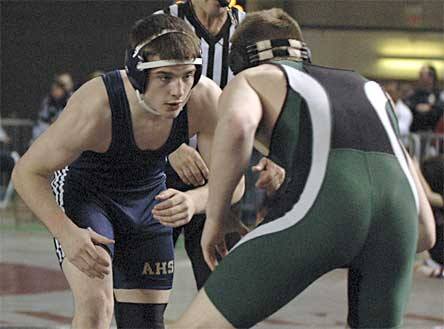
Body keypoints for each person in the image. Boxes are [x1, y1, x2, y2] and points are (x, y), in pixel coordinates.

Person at [169, 8, 437, 329]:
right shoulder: (372, 90)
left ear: (240, 60)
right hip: (399, 219)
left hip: (325, 208)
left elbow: (239, 125)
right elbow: (425, 233)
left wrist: (217, 216)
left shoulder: (252, 78)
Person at [12, 14, 244, 329]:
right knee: (97, 307)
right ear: (137, 74)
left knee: (145, 323)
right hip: (88, 195)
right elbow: (27, 172)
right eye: (165, 77)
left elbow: (233, 180)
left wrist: (196, 201)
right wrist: (65, 231)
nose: (178, 90)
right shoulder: (97, 104)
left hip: (149, 201)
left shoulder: (203, 98)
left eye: (187, 75)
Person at [156, 0, 285, 290]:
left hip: (227, 175)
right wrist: (169, 147)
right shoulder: (163, 22)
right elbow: (136, 95)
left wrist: (277, 154)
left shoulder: (252, 29)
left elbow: (274, 96)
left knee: (223, 286)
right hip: (165, 173)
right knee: (147, 286)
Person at [31, 72, 74, 142]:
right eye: (58, 84)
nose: (58, 88)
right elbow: (42, 121)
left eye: (62, 85)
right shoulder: (49, 100)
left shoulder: (74, 99)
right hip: (47, 134)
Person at [406, 64, 444, 133]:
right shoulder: (414, 94)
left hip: (433, 134)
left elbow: (440, 109)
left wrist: (430, 107)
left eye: (423, 75)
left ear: (432, 77)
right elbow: (408, 106)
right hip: (415, 132)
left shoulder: (438, 94)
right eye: (420, 75)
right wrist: (416, 107)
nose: (420, 78)